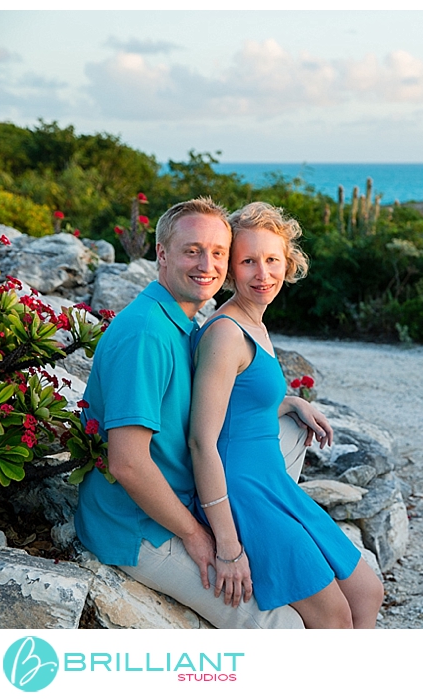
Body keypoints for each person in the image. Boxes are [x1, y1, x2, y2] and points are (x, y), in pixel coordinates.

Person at [74, 197, 325, 628]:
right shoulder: (146, 335)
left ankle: (272, 528)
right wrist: (202, 538)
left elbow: (200, 405)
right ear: (162, 254)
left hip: (187, 490)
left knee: (288, 426)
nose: (206, 263)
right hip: (142, 526)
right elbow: (128, 463)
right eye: (192, 250)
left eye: (218, 253)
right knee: (289, 628)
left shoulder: (182, 319)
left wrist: (287, 402)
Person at [188, 202, 384, 628]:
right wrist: (227, 544)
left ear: (288, 262)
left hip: (273, 481)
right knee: (333, 620)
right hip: (243, 493)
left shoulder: (255, 322)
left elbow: (238, 401)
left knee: (368, 591)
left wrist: (290, 402)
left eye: (272, 260)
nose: (263, 273)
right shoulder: (224, 333)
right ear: (229, 269)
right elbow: (202, 440)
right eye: (248, 261)